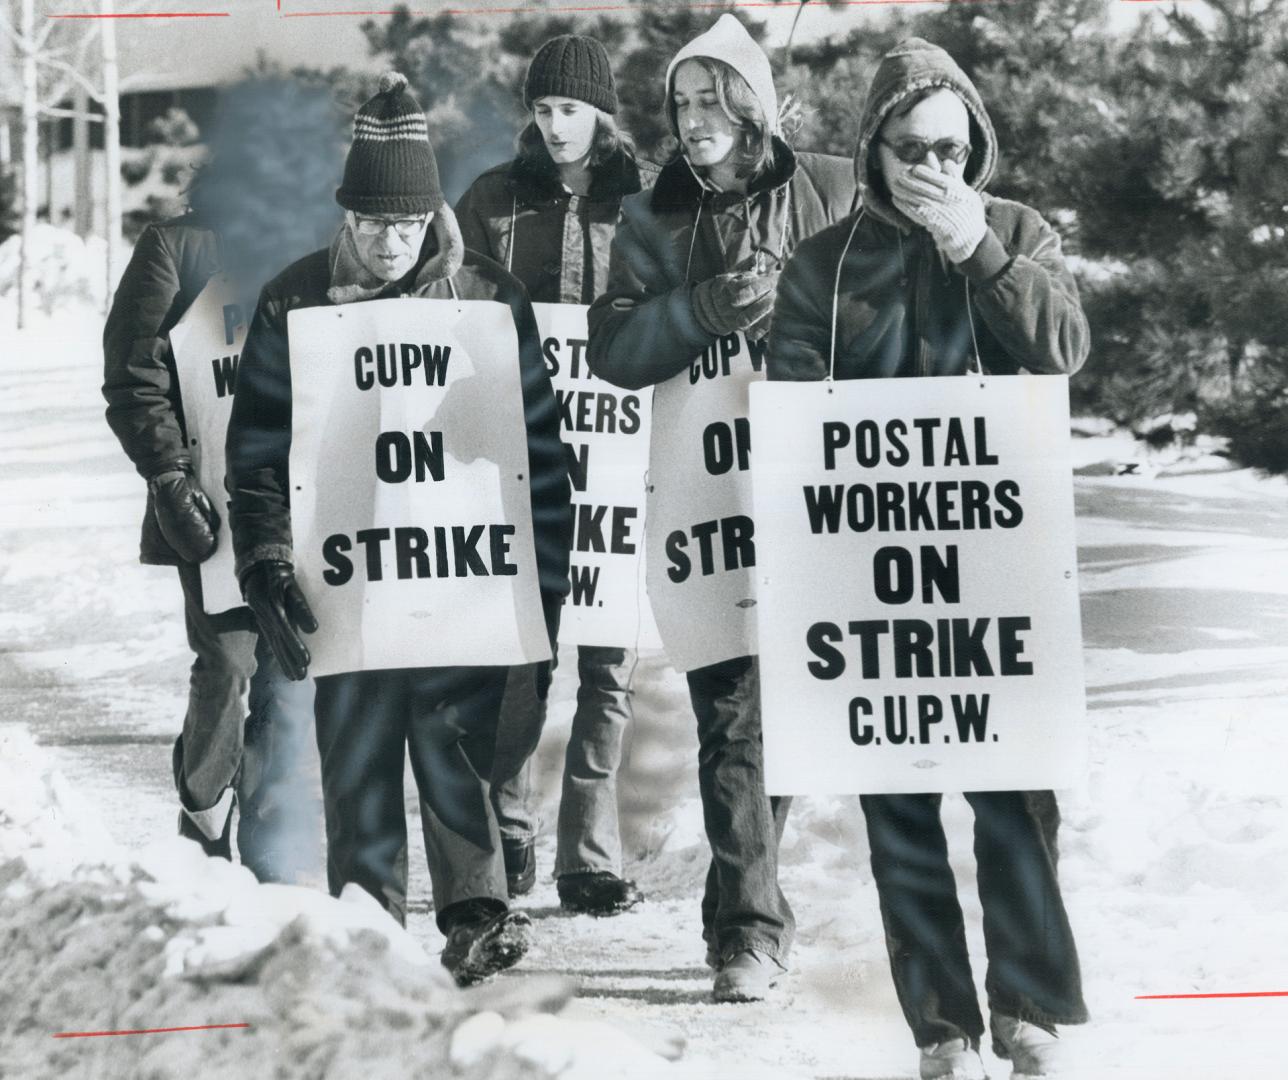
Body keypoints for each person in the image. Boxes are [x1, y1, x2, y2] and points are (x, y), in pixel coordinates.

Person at [767, 38, 1089, 1080]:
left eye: (950, 149)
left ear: (976, 149)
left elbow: (1064, 347)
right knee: (896, 806)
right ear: (874, 150)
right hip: (869, 578)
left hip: (995, 567)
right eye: (909, 148)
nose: (931, 168)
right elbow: (787, 415)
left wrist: (975, 254)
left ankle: (1030, 1010)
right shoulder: (820, 267)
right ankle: (942, 1029)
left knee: (1016, 800)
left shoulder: (1019, 232)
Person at [224, 72, 572, 985]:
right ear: (347, 218)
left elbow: (541, 446)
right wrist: (264, 557)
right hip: (346, 579)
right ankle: (372, 928)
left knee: (457, 737)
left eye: (406, 224)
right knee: (361, 753)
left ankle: (477, 917)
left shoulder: (489, 301)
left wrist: (547, 579)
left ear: (432, 218)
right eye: (373, 224)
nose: (389, 243)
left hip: (462, 572)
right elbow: (255, 448)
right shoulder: (294, 302)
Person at [586, 14, 856, 1001]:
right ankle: (746, 930)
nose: (693, 120)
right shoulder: (655, 219)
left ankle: (740, 909)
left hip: (821, 496)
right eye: (681, 103)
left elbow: (899, 285)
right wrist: (701, 312)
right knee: (735, 711)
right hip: (709, 497)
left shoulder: (831, 186)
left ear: (755, 102)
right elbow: (612, 350)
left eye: (712, 99)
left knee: (785, 710)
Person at [455, 33, 656, 916]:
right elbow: (447, 298)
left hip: (617, 450)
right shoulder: (494, 199)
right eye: (543, 109)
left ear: (602, 112)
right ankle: (509, 828)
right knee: (520, 655)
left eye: (571, 108)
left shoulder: (643, 199)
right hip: (521, 450)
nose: (556, 125)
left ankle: (591, 853)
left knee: (609, 661)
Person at [102, 152, 320, 883]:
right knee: (227, 665)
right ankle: (201, 804)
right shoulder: (176, 247)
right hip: (211, 503)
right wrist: (167, 476)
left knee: (290, 684)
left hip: (300, 502)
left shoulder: (320, 245)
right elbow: (134, 375)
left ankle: (264, 853)